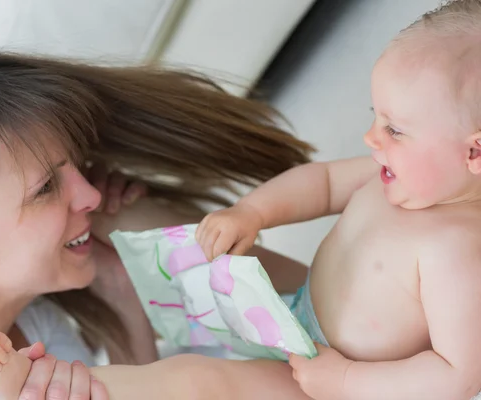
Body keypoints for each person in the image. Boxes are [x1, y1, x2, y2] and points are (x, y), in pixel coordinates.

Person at [0, 51, 313, 399]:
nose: (89, 193)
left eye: (75, 166)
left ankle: (337, 322)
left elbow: (137, 385)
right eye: (46, 186)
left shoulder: (28, 324)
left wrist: (120, 291)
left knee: (126, 217)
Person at [197, 0, 481, 399]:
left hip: (335, 385)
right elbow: (324, 183)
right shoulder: (391, 175)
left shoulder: (461, 251)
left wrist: (346, 381)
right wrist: (252, 212)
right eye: (375, 116)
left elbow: (458, 375)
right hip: (296, 319)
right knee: (207, 264)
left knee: (196, 379)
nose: (372, 137)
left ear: (474, 153)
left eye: (395, 129)